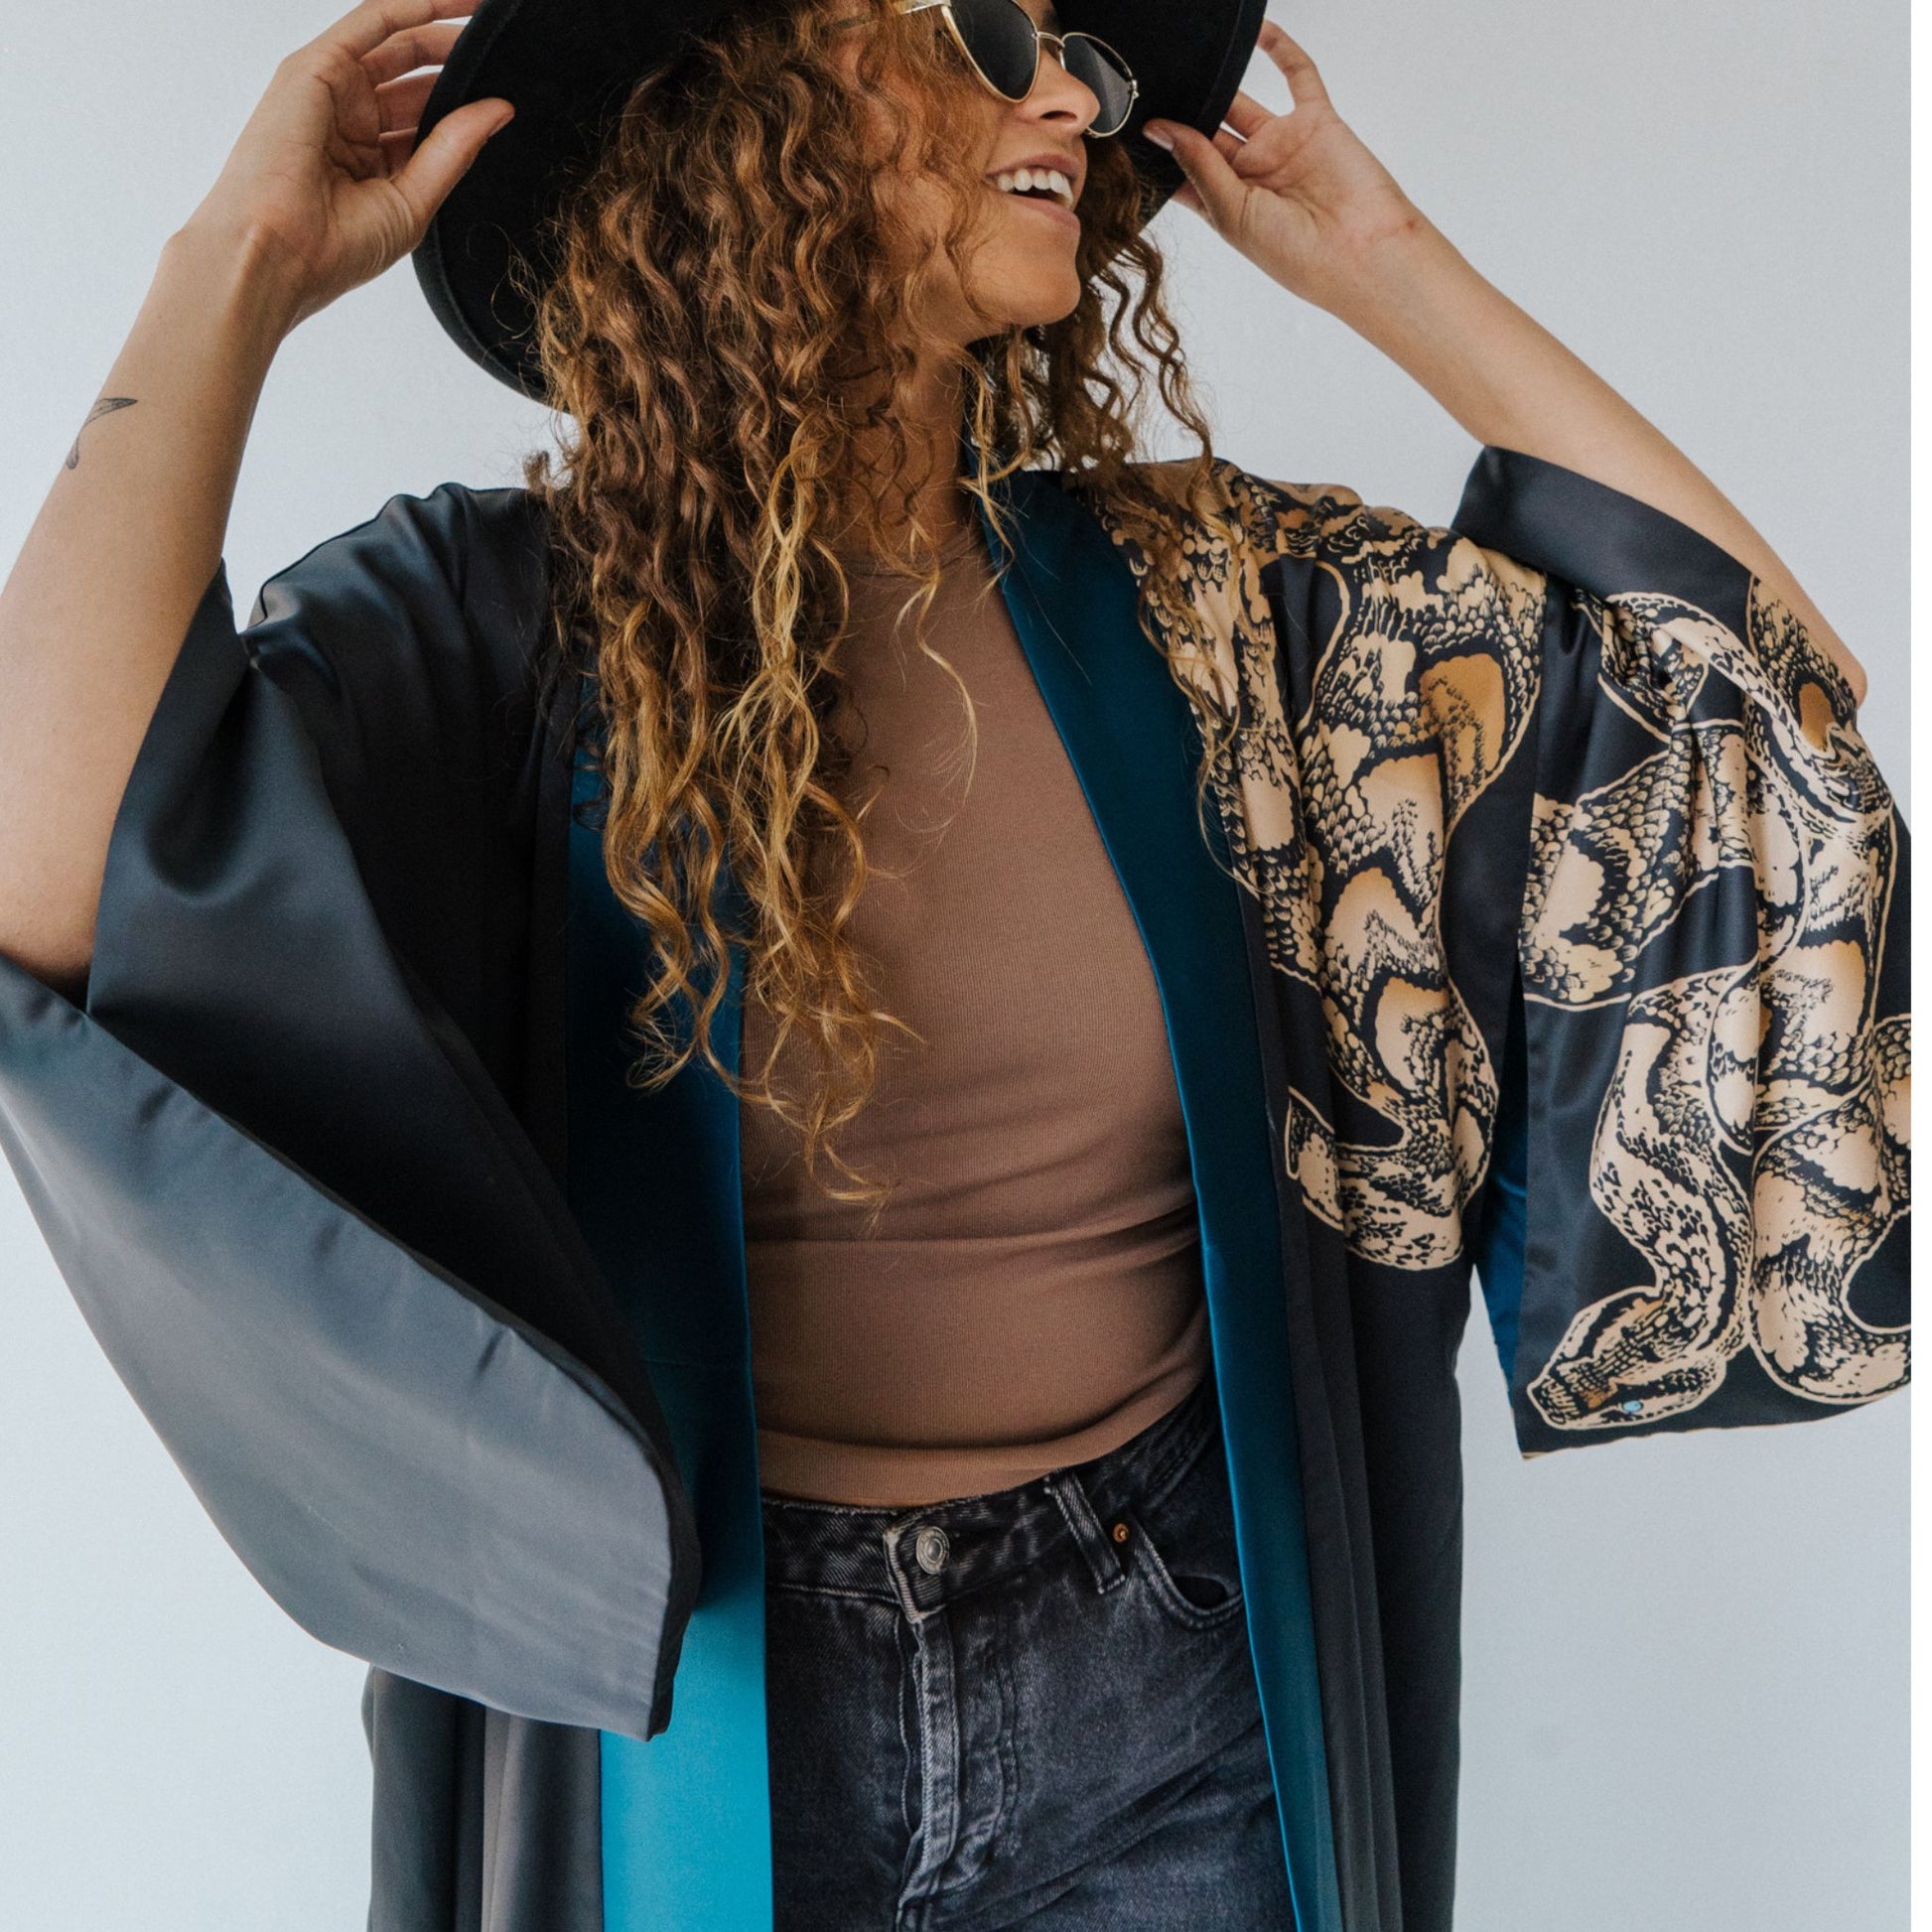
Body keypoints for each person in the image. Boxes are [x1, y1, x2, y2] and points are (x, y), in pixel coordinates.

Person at [0, 1, 1907, 1929]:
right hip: (703, 1694)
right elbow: (50, 880)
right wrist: (232, 266)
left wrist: (1384, 262)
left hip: (1172, 1676)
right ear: (743, 99)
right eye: (980, 28)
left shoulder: (1222, 619)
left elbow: (1755, 725)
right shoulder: (491, 641)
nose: (1067, 89)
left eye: (1073, 44)